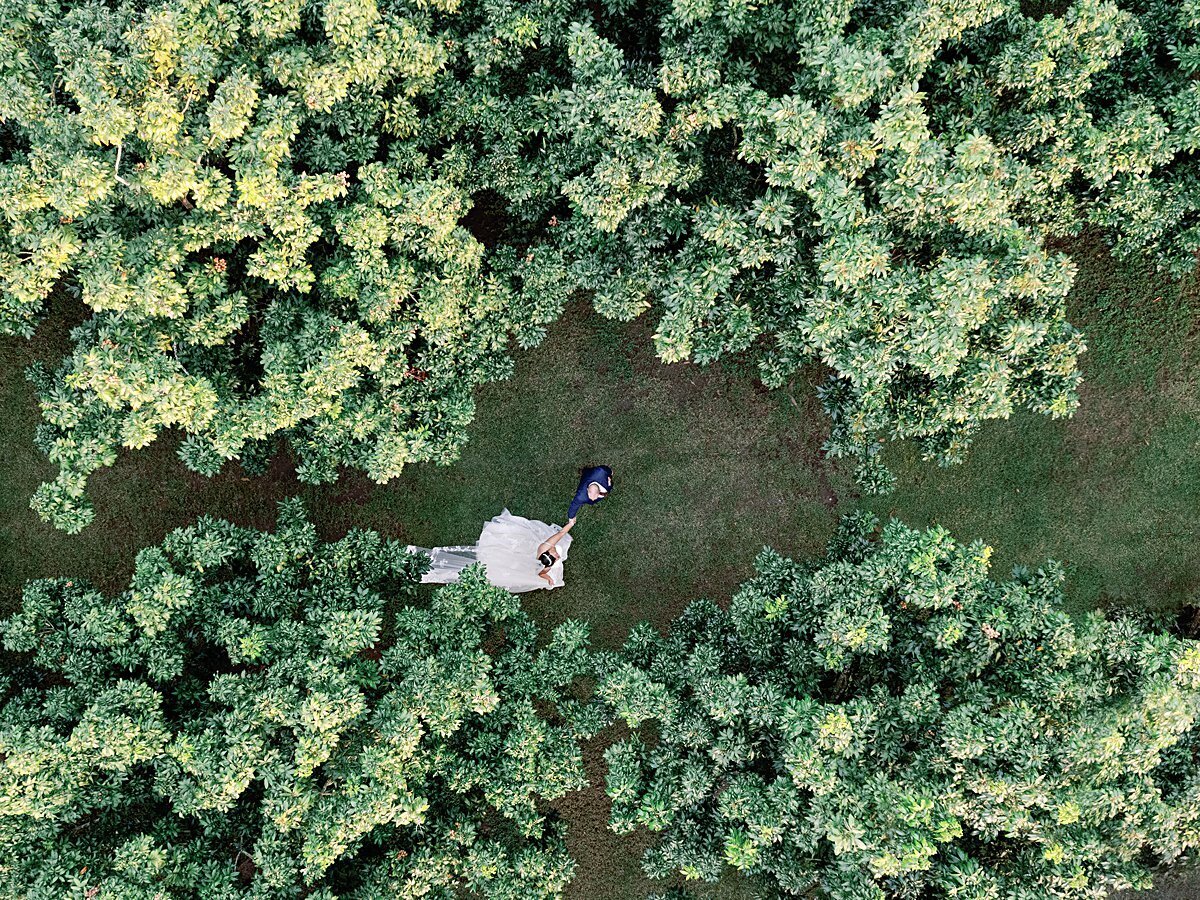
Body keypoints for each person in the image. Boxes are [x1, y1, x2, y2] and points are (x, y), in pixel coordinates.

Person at [408, 510, 575, 593]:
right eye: (556, 554)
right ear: (550, 556)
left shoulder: (543, 550)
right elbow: (560, 535)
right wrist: (571, 524)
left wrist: (548, 579)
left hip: (521, 558)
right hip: (524, 560)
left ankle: (419, 563)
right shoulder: (543, 555)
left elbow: (543, 572)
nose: (558, 554)